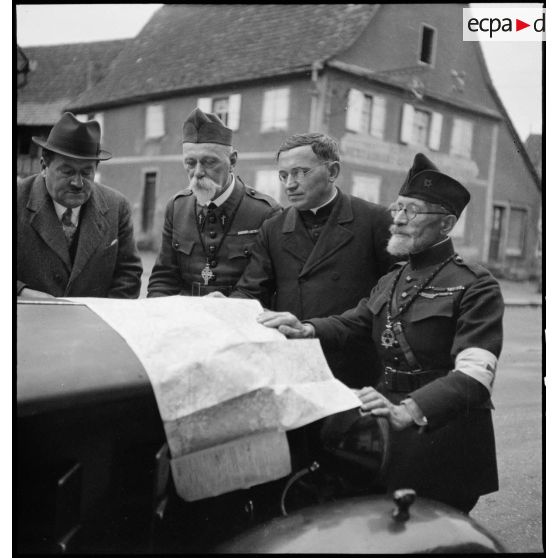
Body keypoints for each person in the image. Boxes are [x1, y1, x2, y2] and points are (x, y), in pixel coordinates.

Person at [258, 153, 504, 514]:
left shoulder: (475, 285)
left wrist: (410, 409)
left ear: (447, 224)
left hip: (444, 436)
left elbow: (474, 375)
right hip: (388, 431)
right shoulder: (393, 279)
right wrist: (306, 327)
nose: (398, 220)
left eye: (412, 212)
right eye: (397, 208)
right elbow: (356, 322)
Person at [226, 132, 394, 388]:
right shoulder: (273, 228)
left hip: (353, 364)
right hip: (295, 363)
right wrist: (223, 308)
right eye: (283, 175)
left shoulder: (375, 220)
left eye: (300, 172)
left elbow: (388, 299)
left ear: (333, 171)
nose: (289, 184)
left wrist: (320, 329)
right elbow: (251, 291)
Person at [147, 108, 281, 297]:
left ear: (232, 161)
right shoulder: (177, 207)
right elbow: (162, 280)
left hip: (239, 320)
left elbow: (258, 287)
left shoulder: (265, 213)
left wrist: (219, 311)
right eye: (190, 163)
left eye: (209, 162)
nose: (198, 172)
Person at [17, 112, 142, 299]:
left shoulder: (117, 207)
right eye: (67, 171)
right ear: (44, 166)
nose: (77, 182)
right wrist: (21, 293)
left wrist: (100, 321)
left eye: (86, 173)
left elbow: (128, 276)